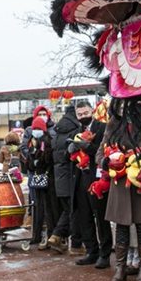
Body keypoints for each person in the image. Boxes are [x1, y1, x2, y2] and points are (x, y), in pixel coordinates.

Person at [96, 102, 141, 281]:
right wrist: (107, 162)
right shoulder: (112, 125)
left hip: (140, 181)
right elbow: (100, 153)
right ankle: (120, 267)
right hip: (120, 182)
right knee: (121, 227)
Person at [66, 100, 112, 268]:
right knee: (84, 217)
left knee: (101, 217)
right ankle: (91, 250)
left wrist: (89, 147)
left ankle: (105, 253)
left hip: (97, 178)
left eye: (86, 113)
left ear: (92, 111)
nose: (83, 117)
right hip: (81, 178)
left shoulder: (102, 127)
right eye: (80, 115)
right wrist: (71, 150)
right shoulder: (76, 131)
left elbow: (104, 150)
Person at [47, 105, 81, 254]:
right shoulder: (75, 132)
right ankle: (72, 242)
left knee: (68, 210)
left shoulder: (56, 134)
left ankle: (56, 236)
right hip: (71, 177)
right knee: (73, 211)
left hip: (58, 178)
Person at [24, 116, 56, 248]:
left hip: (47, 180)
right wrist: (32, 160)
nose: (36, 131)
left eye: (38, 128)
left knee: (48, 209)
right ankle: (36, 235)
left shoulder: (47, 141)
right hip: (38, 179)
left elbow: (49, 159)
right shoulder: (32, 142)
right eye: (34, 128)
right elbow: (28, 164)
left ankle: (49, 236)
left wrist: (38, 158)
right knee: (37, 208)